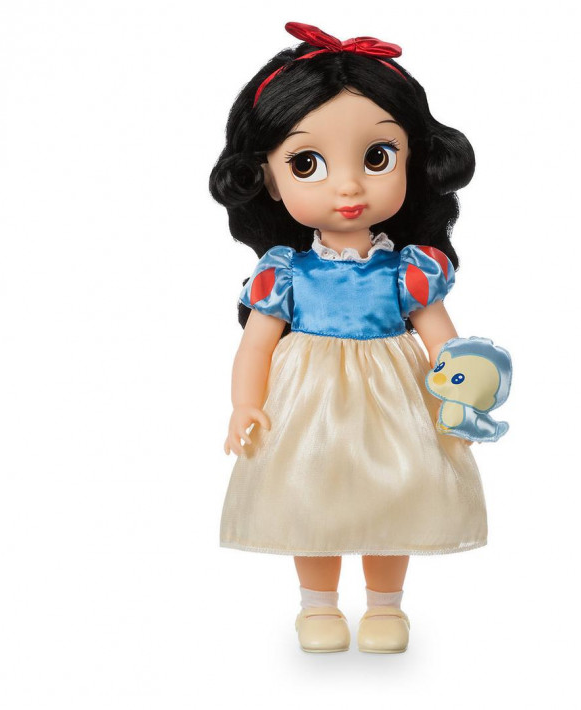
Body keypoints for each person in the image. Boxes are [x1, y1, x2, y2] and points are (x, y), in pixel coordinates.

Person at [209, 22, 487, 654]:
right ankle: (318, 606)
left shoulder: (409, 271)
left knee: (397, 493)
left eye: (377, 157)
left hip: (396, 403)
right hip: (308, 404)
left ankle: (387, 607)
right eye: (306, 163)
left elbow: (443, 341)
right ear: (268, 178)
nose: (349, 186)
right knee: (313, 498)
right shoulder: (284, 272)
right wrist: (245, 404)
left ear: (413, 161)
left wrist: (466, 386)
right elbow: (256, 346)